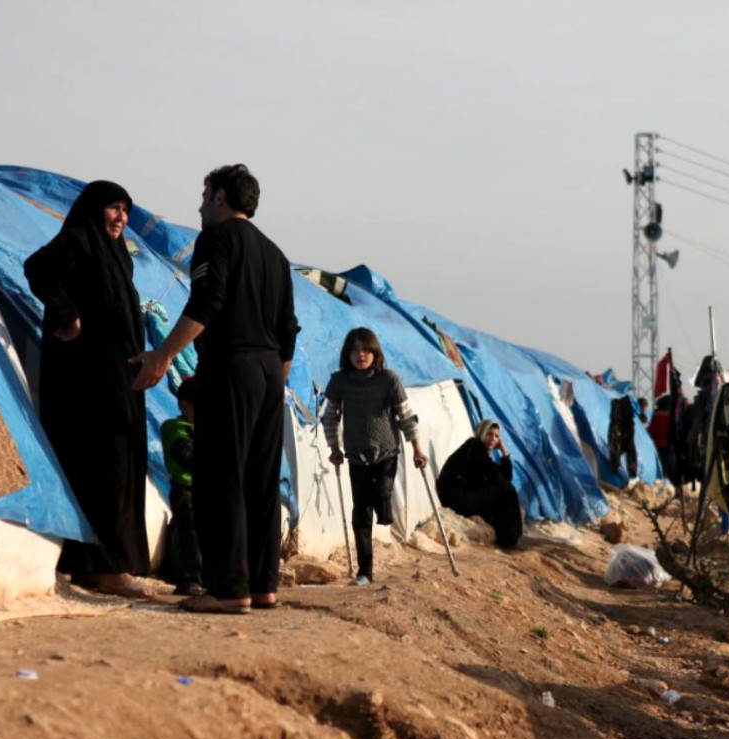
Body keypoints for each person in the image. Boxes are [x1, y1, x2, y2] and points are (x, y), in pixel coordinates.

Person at [131, 164, 297, 614]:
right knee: (260, 482)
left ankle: (228, 589)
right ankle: (263, 586)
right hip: (269, 373)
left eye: (205, 195)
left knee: (221, 475)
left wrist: (163, 354)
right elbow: (288, 329)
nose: (200, 205)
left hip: (231, 365)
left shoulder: (217, 240)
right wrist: (273, 381)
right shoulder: (276, 255)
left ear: (221, 197)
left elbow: (207, 302)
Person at [24, 180, 151, 598]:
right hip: (89, 380)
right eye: (114, 208)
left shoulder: (116, 255)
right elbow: (38, 269)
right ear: (94, 210)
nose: (121, 218)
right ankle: (106, 568)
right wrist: (67, 317)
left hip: (119, 376)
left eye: (126, 211)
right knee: (105, 466)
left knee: (118, 464)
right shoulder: (78, 240)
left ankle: (100, 565)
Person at [322, 327, 428, 585]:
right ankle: (364, 572)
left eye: (366, 349)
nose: (361, 355)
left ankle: (385, 511)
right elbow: (329, 418)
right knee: (361, 512)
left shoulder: (389, 380)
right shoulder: (339, 382)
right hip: (356, 455)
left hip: (387, 452)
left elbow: (405, 415)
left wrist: (417, 449)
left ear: (375, 352)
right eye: (355, 350)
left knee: (382, 492)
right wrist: (334, 449)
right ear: (347, 354)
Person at [437, 419, 523, 549]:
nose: (493, 439)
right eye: (489, 434)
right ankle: (509, 537)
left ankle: (507, 535)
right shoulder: (474, 448)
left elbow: (505, 476)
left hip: (461, 494)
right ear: (481, 433)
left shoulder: (480, 451)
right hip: (455, 497)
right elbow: (498, 477)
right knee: (506, 490)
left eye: (496, 436)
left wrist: (504, 451)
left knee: (503, 488)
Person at [159, 376, 204, 596]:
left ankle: (205, 578)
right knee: (190, 535)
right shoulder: (174, 428)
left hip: (204, 490)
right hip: (184, 491)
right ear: (185, 406)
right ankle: (189, 580)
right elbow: (184, 456)